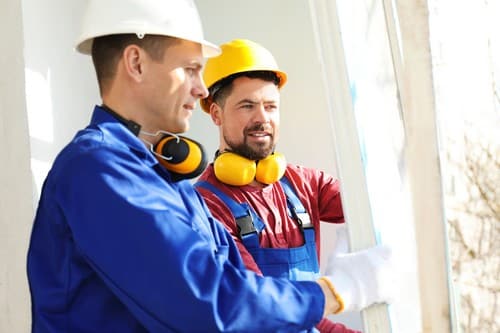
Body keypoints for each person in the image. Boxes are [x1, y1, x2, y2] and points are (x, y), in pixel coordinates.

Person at [26, 1, 393, 332]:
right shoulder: (99, 172)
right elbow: (211, 304)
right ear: (135, 63)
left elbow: (239, 284)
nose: (202, 89)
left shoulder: (167, 179)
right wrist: (338, 289)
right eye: (190, 69)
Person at [195, 39, 393, 333]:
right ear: (216, 114)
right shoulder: (205, 206)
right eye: (247, 106)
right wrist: (347, 288)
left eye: (270, 106)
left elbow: (377, 207)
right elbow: (263, 313)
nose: (262, 118)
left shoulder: (306, 184)